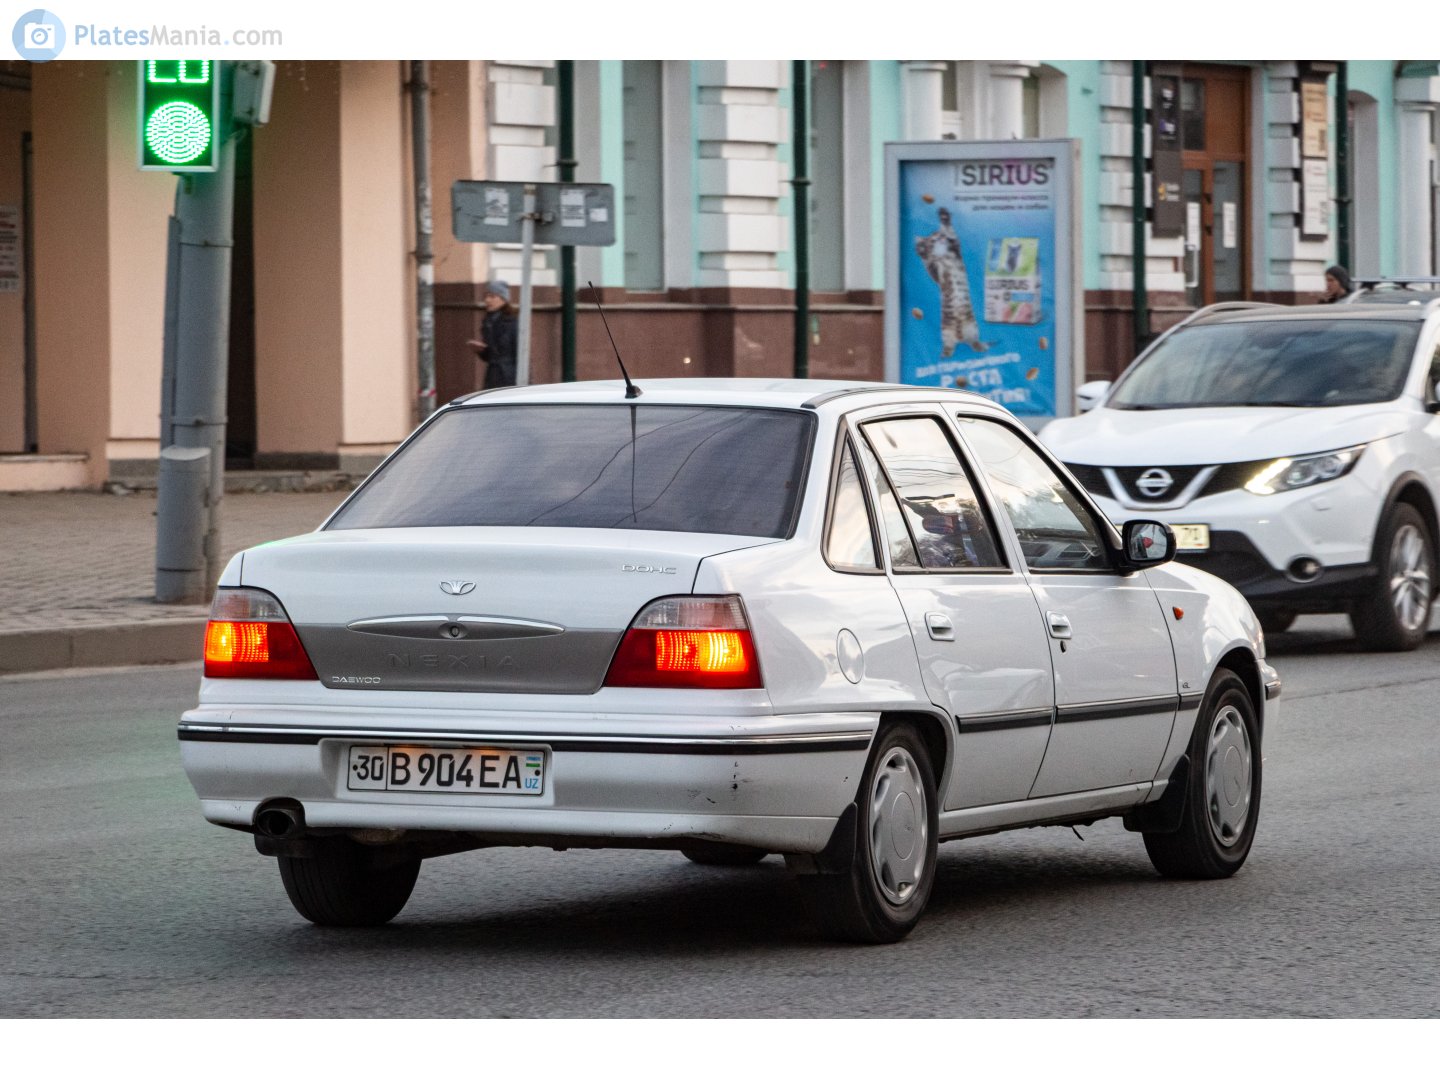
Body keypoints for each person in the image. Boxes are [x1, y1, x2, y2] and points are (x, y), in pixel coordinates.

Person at [468, 280, 519, 388]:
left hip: (510, 377)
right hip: (493, 375)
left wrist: (525, 382)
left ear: (503, 299)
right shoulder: (488, 322)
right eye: (486, 296)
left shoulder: (512, 321)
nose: (487, 300)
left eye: (492, 296)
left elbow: (521, 352)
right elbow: (490, 356)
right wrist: (481, 351)